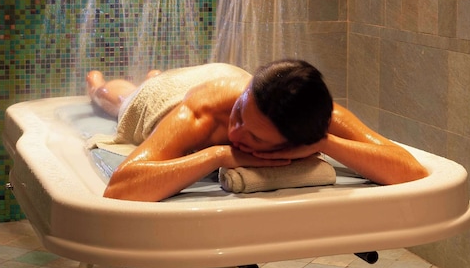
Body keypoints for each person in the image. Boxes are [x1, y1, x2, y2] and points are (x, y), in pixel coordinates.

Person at [87, 59, 429, 202]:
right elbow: (122, 187)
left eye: (255, 137)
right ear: (247, 94)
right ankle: (99, 82)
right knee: (117, 98)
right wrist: (218, 155)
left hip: (216, 79)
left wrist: (325, 143)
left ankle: (155, 73)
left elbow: (409, 170)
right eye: (239, 115)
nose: (236, 133)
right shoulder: (204, 115)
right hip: (167, 96)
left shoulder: (311, 114)